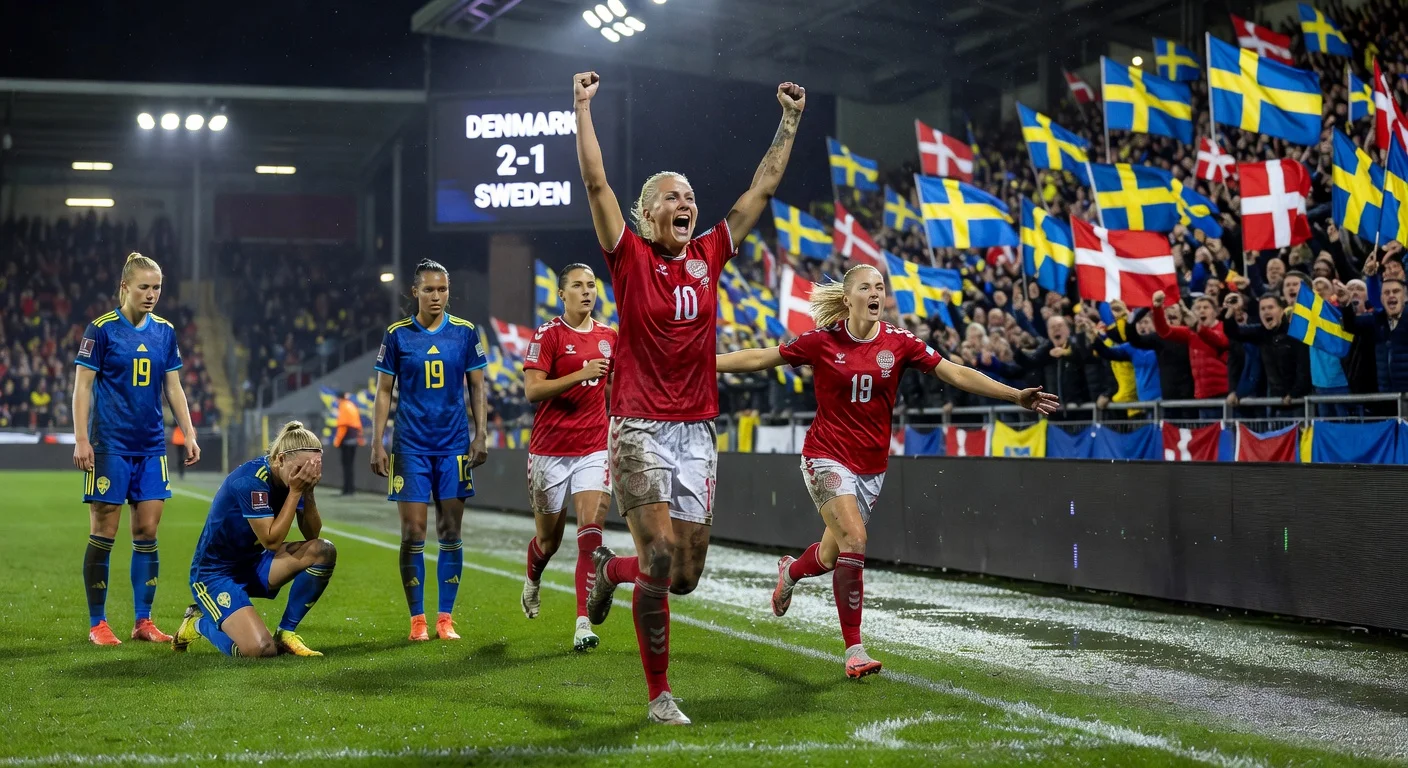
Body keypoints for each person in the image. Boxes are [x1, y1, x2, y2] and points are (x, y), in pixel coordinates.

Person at [574, 70, 805, 724]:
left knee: (683, 575)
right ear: (649, 214)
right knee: (659, 554)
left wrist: (787, 121)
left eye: (691, 196)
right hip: (640, 427)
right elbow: (597, 183)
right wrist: (582, 107)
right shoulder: (626, 255)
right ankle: (659, 695)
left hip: (698, 431)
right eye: (674, 197)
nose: (688, 203)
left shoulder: (711, 252)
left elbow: (761, 189)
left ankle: (611, 575)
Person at [715, 264, 1058, 677]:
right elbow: (760, 357)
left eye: (880, 286)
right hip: (825, 455)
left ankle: (790, 571)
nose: (876, 292)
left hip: (871, 467)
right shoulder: (823, 341)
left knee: (830, 555)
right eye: (866, 287)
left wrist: (1014, 394)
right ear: (848, 298)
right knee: (856, 539)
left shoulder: (899, 343)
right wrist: (705, 362)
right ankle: (854, 650)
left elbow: (955, 372)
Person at [72, 252, 201, 646]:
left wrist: (189, 432)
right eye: (144, 287)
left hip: (151, 447)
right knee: (105, 531)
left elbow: (173, 386)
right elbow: (82, 386)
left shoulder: (165, 331)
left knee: (147, 532)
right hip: (110, 444)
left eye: (157, 287)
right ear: (125, 286)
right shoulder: (101, 330)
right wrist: (81, 438)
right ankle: (98, 624)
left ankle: (143, 622)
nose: (151, 294)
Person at [370, 259, 489, 643]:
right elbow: (384, 391)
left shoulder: (466, 333)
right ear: (415, 292)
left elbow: (477, 388)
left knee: (450, 530)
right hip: (410, 446)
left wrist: (481, 434)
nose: (436, 296)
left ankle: (444, 619)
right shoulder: (398, 335)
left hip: (453, 445)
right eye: (429, 290)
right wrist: (378, 441)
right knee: (413, 532)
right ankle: (417, 620)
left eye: (442, 289)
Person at [172, 421, 335, 658]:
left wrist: (307, 491)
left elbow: (312, 534)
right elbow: (271, 541)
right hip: (215, 573)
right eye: (301, 468)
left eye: (313, 469)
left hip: (254, 562)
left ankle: (286, 632)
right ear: (280, 459)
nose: (306, 475)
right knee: (261, 650)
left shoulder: (294, 480)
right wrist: (297, 492)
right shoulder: (252, 481)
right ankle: (197, 621)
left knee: (323, 551)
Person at [519, 264, 617, 653]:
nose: (586, 291)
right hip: (549, 453)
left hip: (594, 449)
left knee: (590, 537)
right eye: (577, 286)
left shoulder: (610, 336)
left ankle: (582, 623)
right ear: (562, 294)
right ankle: (533, 578)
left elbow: (624, 380)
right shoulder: (548, 335)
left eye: (591, 285)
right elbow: (532, 391)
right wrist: (580, 374)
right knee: (548, 540)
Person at [333, 392, 362, 496]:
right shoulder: (352, 405)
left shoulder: (343, 406)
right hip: (354, 440)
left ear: (339, 398)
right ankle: (351, 489)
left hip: (346, 440)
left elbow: (342, 426)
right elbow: (358, 425)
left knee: (346, 466)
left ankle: (347, 490)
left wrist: (337, 441)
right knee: (350, 466)